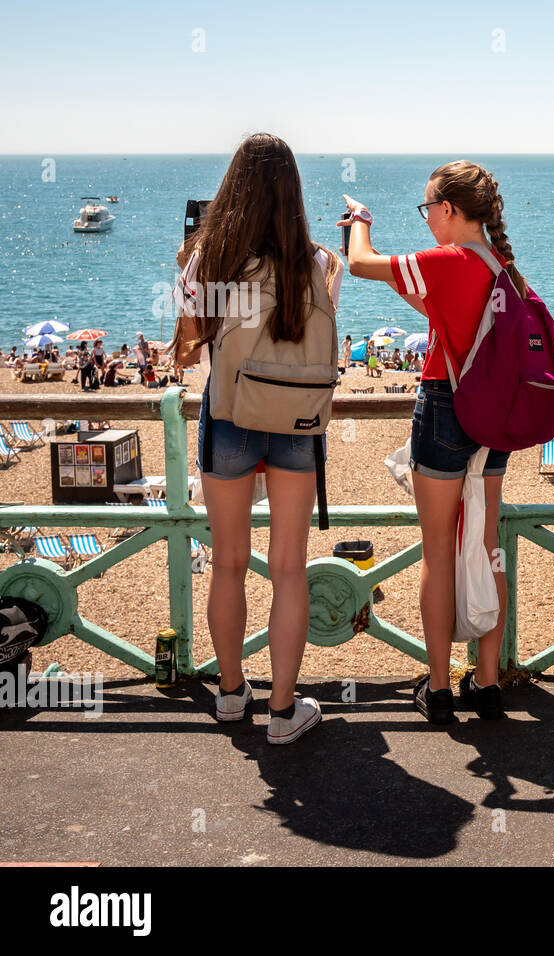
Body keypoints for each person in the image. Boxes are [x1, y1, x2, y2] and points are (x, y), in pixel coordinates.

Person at [167, 132, 342, 745]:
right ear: (293, 193)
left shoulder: (208, 260)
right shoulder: (321, 263)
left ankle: (233, 694)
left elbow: (188, 345)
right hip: (297, 423)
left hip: (231, 417)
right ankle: (283, 711)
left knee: (228, 565)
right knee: (289, 568)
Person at [339, 160, 527, 724]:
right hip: (495, 414)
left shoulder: (448, 261)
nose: (426, 221)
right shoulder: (504, 270)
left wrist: (359, 221)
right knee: (488, 540)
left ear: (448, 210)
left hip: (446, 406)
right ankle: (488, 683)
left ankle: (440, 688)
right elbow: (444, 313)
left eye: (428, 210)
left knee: (439, 548)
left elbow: (358, 263)